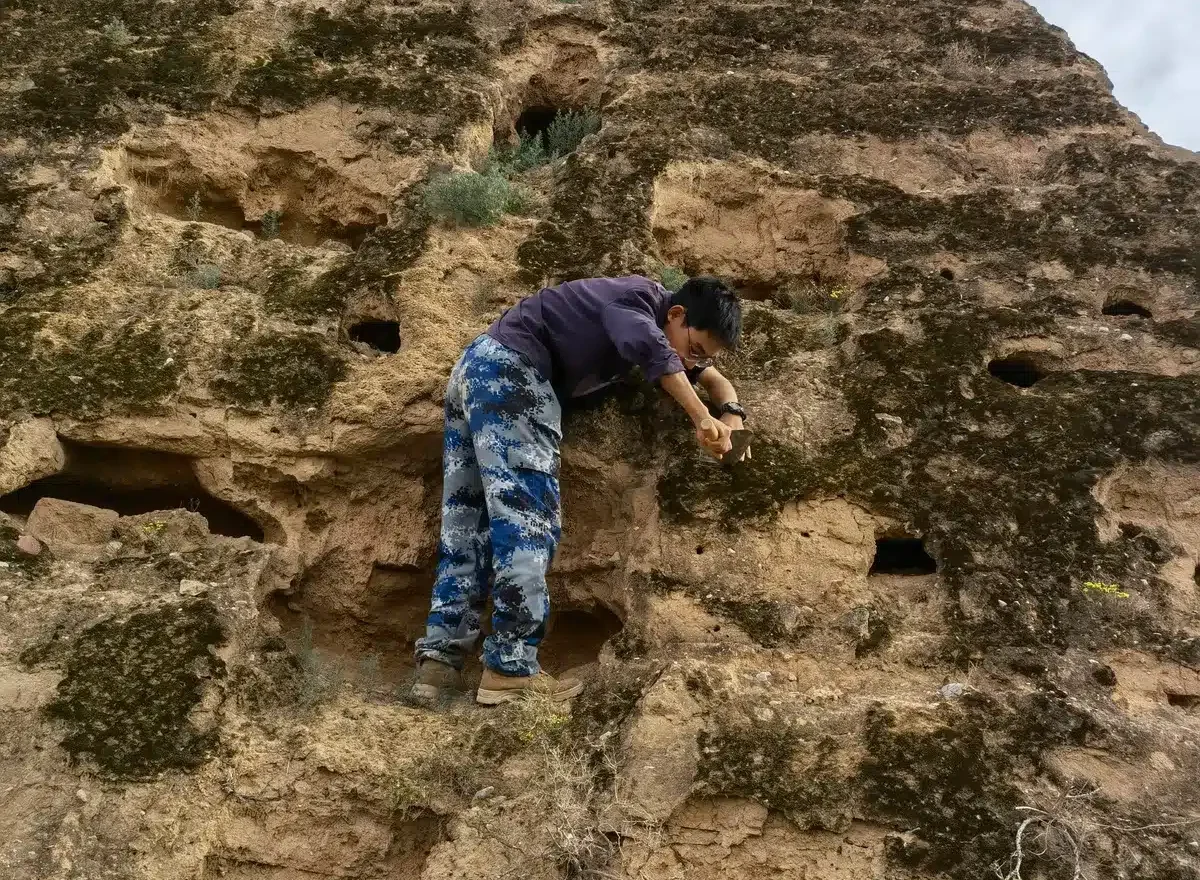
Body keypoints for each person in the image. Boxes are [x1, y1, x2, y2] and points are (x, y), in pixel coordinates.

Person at [412, 275, 747, 705]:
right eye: (694, 348)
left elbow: (715, 379)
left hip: (477, 367)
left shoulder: (669, 330)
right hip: (514, 376)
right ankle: (509, 667)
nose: (690, 360)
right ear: (677, 315)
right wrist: (701, 417)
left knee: (467, 520)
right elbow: (656, 353)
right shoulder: (638, 299)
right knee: (528, 523)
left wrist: (732, 417)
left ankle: (438, 665)